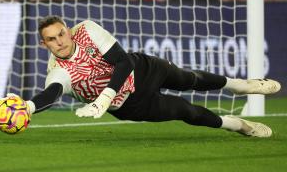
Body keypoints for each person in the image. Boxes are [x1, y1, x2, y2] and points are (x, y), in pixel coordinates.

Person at [15, 15, 281, 138]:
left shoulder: (86, 30)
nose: (60, 41)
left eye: (61, 33)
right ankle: (239, 126)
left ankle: (240, 85)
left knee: (189, 79)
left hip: (141, 70)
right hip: (131, 104)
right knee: (187, 112)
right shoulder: (58, 71)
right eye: (51, 39)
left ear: (68, 30)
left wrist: (103, 99)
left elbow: (123, 61)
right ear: (44, 45)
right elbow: (51, 94)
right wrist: (27, 107)